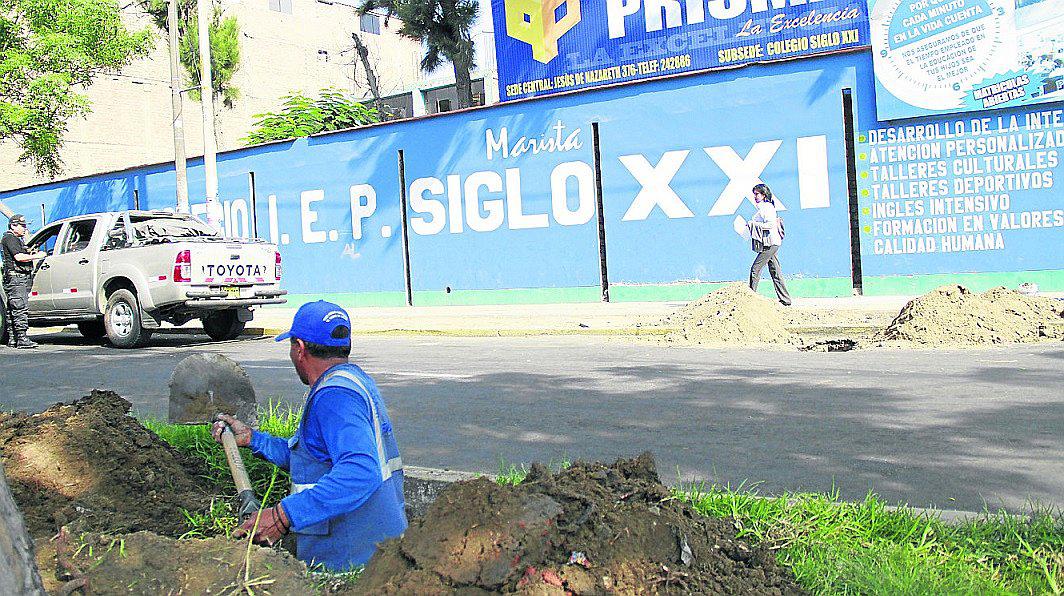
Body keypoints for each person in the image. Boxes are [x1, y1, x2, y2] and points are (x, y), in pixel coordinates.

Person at [212, 300, 407, 571]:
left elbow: (360, 471)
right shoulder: (353, 382)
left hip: (350, 561)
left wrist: (282, 516)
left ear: (300, 349)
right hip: (378, 550)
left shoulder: (334, 398)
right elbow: (314, 460)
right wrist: (253, 439)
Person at [2, 215, 46, 349]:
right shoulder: (10, 238)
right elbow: (19, 257)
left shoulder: (14, 239)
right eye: (22, 226)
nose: (24, 229)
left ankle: (14, 339)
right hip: (16, 278)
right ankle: (22, 339)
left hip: (15, 278)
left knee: (13, 308)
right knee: (20, 307)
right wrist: (36, 256)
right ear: (13, 225)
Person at [747, 184, 792, 306]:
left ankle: (749, 300)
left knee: (755, 269)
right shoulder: (763, 208)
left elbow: (770, 225)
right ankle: (785, 300)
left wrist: (754, 225)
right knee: (775, 271)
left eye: (757, 194)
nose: (755, 197)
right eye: (754, 194)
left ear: (764, 194)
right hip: (772, 243)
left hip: (770, 243)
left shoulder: (767, 208)